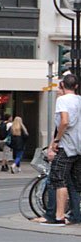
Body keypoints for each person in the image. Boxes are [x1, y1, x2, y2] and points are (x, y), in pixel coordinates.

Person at [43, 74, 81, 225]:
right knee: (75, 183)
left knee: (59, 180)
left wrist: (57, 140)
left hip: (66, 146)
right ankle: (76, 216)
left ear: (63, 85)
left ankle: (58, 217)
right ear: (76, 86)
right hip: (78, 148)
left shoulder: (62, 100)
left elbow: (64, 121)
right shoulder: (80, 100)